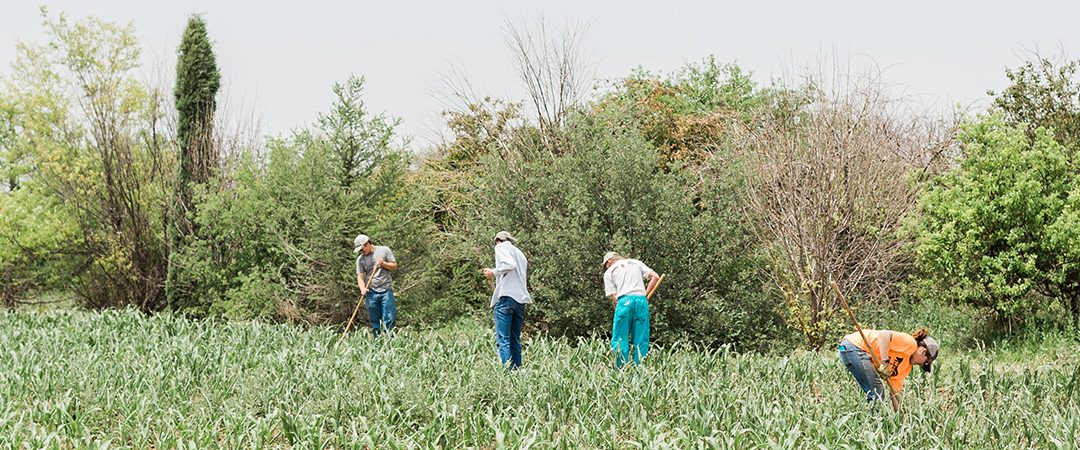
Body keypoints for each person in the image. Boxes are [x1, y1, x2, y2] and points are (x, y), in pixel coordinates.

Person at [838, 328, 939, 411]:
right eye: (925, 362)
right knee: (877, 391)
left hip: (858, 353)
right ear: (922, 351)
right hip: (854, 346)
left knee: (876, 391)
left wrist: (899, 417)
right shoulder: (910, 344)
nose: (922, 365)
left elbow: (895, 393)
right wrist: (884, 362)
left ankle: (875, 424)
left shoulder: (906, 368)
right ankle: (874, 426)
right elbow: (884, 334)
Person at [482, 231, 531, 369]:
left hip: (506, 298)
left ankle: (507, 373)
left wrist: (493, 272)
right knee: (515, 339)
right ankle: (517, 370)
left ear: (497, 241)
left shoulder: (500, 247)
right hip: (520, 300)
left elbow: (509, 265)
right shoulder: (520, 254)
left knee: (503, 339)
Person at [602, 252, 660, 367]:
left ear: (609, 262)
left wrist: (618, 310)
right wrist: (645, 296)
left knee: (620, 337)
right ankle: (640, 370)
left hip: (624, 302)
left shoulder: (609, 272)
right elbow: (655, 277)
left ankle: (620, 369)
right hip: (641, 300)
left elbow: (615, 298)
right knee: (641, 337)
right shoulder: (636, 263)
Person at [354, 234, 398, 336]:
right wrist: (362, 288)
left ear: (367, 243)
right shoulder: (360, 259)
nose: (362, 251)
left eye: (362, 249)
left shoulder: (384, 250)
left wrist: (383, 264)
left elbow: (394, 266)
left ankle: (391, 344)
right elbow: (360, 277)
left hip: (386, 291)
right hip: (371, 293)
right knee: (374, 321)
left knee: (389, 319)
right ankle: (376, 344)